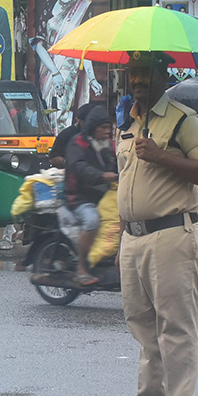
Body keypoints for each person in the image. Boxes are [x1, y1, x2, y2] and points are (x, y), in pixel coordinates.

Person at [108, 51, 198, 396]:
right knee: (143, 328)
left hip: (172, 235)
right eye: (132, 72)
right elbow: (126, 180)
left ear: (162, 74)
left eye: (145, 72)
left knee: (175, 327)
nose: (137, 79)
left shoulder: (183, 120)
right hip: (134, 238)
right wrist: (121, 233)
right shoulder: (128, 122)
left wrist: (160, 156)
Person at [30, 0, 103, 131]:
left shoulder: (84, 9)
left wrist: (92, 79)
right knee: (48, 113)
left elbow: (84, 48)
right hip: (48, 71)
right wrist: (55, 73)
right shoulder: (48, 7)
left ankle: (60, 150)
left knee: (62, 113)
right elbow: (39, 44)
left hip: (70, 71)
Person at [62, 105, 117, 285]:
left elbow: (116, 165)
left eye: (109, 128)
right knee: (93, 220)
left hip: (101, 195)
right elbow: (78, 167)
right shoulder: (77, 143)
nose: (107, 132)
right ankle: (81, 268)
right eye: (103, 128)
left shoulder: (108, 145)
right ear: (93, 127)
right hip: (78, 197)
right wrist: (101, 176)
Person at [49, 102, 93, 168]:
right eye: (86, 123)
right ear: (78, 119)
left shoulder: (97, 135)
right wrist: (68, 163)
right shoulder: (66, 135)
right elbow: (53, 158)